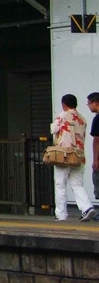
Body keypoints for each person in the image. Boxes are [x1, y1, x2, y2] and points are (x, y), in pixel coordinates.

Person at [50, 94, 97, 222]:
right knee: (77, 184)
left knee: (60, 184)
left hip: (64, 155)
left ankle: (61, 214)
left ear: (64, 104)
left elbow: (53, 129)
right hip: (79, 156)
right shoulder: (82, 119)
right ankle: (87, 207)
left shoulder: (63, 115)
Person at [88, 92, 99, 202]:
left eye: (89, 103)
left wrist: (95, 159)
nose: (89, 106)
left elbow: (97, 140)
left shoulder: (97, 119)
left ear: (96, 103)